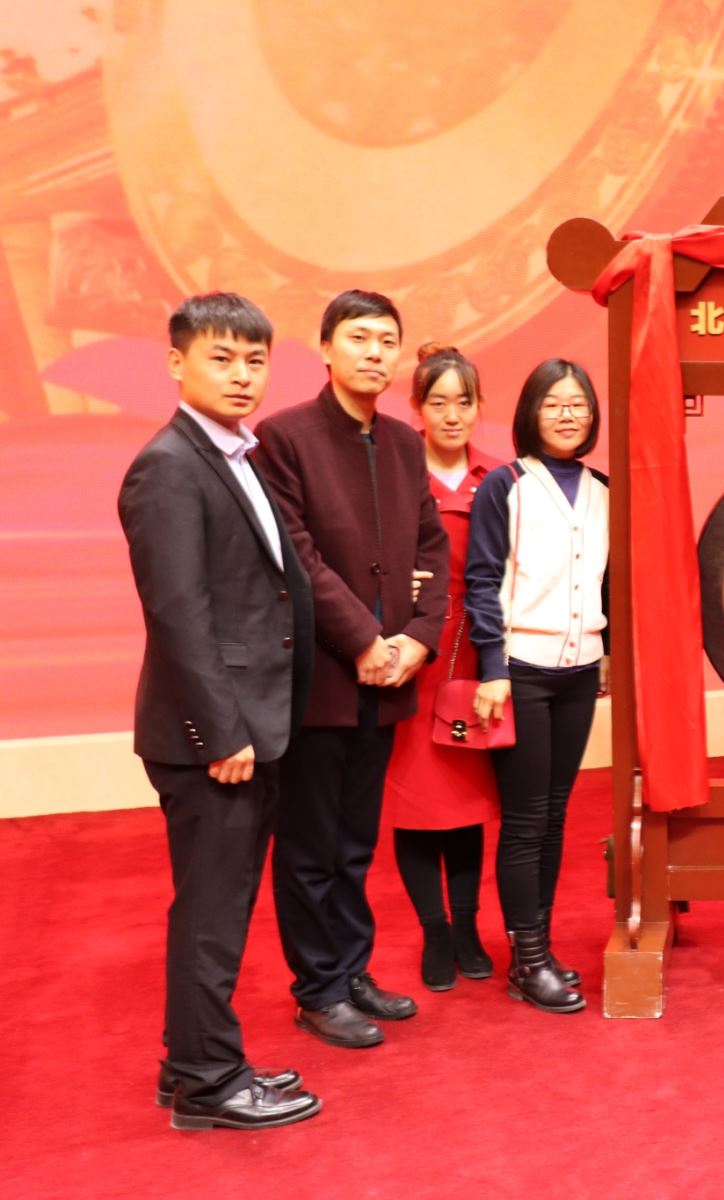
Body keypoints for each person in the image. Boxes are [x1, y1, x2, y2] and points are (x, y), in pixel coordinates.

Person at [119, 292, 321, 1130]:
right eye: (221, 358)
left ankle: (190, 1061)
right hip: (216, 737)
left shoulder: (235, 455)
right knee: (211, 910)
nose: (242, 375)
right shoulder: (168, 466)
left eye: (254, 360)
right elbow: (179, 613)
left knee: (220, 905)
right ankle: (209, 1083)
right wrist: (221, 731)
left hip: (250, 726)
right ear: (177, 363)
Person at [255, 290, 450, 1048]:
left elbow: (431, 548)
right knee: (309, 847)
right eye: (359, 338)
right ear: (326, 348)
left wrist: (419, 641)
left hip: (390, 677)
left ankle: (351, 969)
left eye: (387, 340)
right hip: (321, 682)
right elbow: (295, 556)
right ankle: (317, 989)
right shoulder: (284, 437)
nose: (375, 352)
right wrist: (365, 639)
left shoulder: (401, 443)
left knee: (355, 842)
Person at [464, 358, 611, 1014]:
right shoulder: (507, 485)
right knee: (525, 821)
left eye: (578, 403)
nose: (567, 414)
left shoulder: (604, 489)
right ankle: (527, 960)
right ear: (530, 412)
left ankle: (540, 950)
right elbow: (481, 580)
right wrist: (492, 668)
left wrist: (609, 654)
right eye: (553, 403)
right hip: (521, 671)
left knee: (555, 814)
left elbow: (608, 584)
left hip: (580, 673)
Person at [382, 344, 504, 991]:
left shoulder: (499, 477)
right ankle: (434, 930)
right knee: (414, 803)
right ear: (417, 409)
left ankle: (467, 928)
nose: (452, 415)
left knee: (464, 801)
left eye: (464, 402)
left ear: (479, 407)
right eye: (438, 402)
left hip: (478, 654)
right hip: (412, 655)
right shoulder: (394, 475)